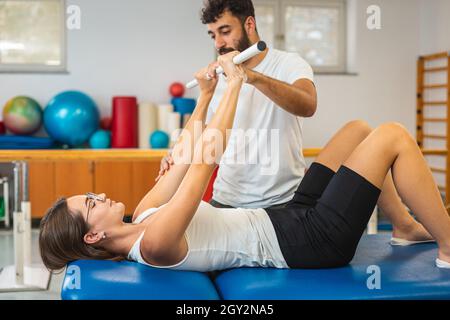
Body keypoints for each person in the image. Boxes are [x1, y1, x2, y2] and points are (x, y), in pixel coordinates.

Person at [40, 52, 450, 273]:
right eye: (91, 203)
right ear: (91, 237)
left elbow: (187, 153)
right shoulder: (154, 245)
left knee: (357, 130)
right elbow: (204, 163)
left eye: (91, 194)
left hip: (285, 215)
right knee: (392, 135)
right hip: (308, 243)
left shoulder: (145, 212)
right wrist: (235, 86)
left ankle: (405, 227)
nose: (100, 195)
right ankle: (449, 247)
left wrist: (204, 94)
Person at [158, 0, 317, 209]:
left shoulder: (289, 64)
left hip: (281, 201)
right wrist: (177, 155)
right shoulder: (217, 79)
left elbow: (308, 105)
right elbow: (208, 139)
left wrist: (251, 76)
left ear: (249, 25)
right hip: (226, 199)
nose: (218, 43)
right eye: (213, 35)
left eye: (225, 31)